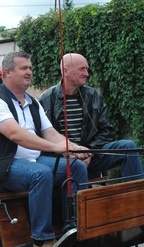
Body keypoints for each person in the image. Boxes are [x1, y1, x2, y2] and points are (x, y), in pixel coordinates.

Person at [0, 51, 89, 247]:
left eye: (30, 68)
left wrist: (75, 148)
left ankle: (75, 226)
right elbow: (16, 135)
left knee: (76, 166)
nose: (29, 72)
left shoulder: (32, 102)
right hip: (3, 165)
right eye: (24, 68)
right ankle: (42, 240)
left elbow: (50, 133)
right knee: (41, 174)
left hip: (33, 161)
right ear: (8, 72)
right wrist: (56, 148)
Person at [38, 53, 144, 181]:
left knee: (128, 146)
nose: (87, 73)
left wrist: (89, 152)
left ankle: (137, 198)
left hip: (92, 154)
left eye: (87, 69)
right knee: (74, 168)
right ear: (65, 71)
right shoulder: (46, 99)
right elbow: (42, 137)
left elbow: (107, 131)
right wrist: (70, 153)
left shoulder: (93, 96)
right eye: (82, 69)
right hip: (61, 159)